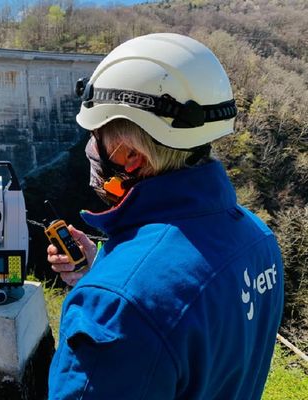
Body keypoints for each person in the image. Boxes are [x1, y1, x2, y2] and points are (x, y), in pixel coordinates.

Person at [47, 33, 284, 399]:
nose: (92, 147)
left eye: (98, 134)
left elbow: (145, 310)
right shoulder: (260, 239)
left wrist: (111, 285)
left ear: (129, 155)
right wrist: (102, 270)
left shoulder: (114, 308)